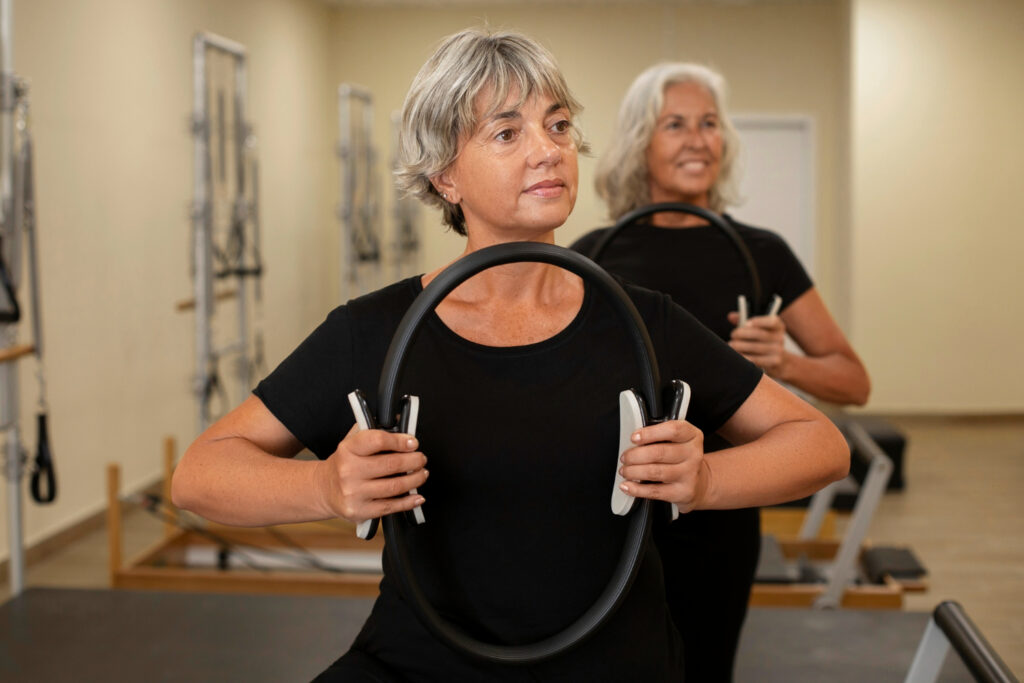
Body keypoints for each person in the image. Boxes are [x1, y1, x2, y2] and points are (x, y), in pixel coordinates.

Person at [172, 32, 849, 682]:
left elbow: (818, 443)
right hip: (420, 662)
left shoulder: (645, 322)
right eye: (506, 133)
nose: (547, 150)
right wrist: (322, 487)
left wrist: (704, 480)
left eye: (557, 127)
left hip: (610, 665)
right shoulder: (374, 330)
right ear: (445, 176)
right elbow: (199, 475)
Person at [571, 62, 871, 682]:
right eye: (675, 124)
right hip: (609, 510)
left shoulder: (761, 254)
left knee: (705, 667)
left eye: (709, 124)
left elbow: (853, 382)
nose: (697, 139)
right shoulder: (592, 256)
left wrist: (784, 361)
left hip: (722, 509)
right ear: (639, 143)